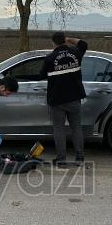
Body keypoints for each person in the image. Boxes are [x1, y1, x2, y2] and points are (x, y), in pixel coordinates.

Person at [40, 31, 88, 167]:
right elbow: (84, 44)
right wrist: (70, 39)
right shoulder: (76, 53)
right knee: (76, 127)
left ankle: (61, 159)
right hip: (74, 98)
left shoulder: (50, 58)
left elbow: (42, 74)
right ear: (64, 41)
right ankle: (79, 158)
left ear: (53, 42)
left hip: (57, 99)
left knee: (59, 129)